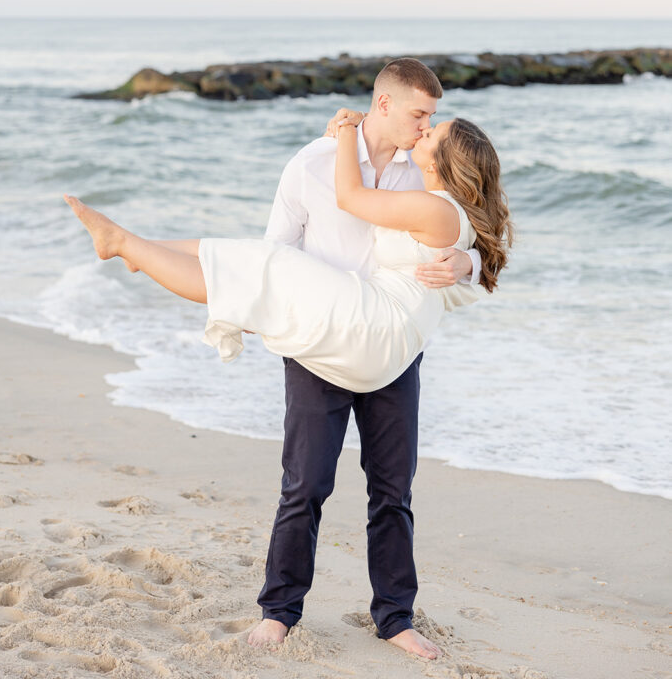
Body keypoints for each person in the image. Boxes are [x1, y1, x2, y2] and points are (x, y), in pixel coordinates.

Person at [63, 58, 512, 659]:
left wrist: (469, 264)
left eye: (432, 120)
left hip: (389, 347)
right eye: (419, 114)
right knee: (304, 486)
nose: (423, 125)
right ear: (384, 105)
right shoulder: (312, 163)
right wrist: (265, 303)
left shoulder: (423, 180)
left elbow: (469, 240)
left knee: (392, 490)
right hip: (318, 340)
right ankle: (280, 611)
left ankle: (395, 617)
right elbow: (271, 249)